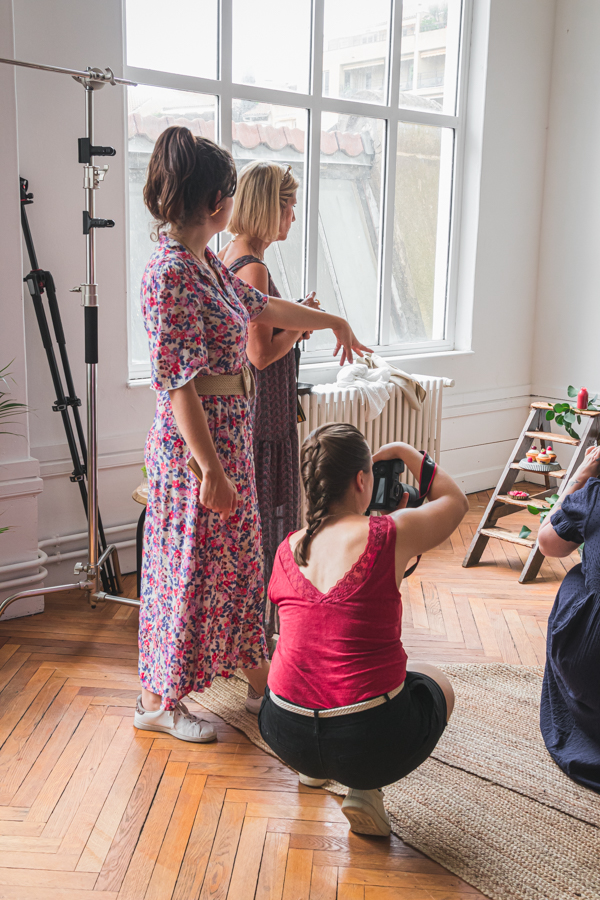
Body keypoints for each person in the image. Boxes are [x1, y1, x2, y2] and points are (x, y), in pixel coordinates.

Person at [133, 127, 370, 744]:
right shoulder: (170, 273)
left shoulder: (206, 264)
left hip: (227, 439)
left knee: (234, 564)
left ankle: (256, 669)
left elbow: (261, 309)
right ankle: (159, 700)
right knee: (185, 569)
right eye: (230, 194)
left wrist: (335, 318)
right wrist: (208, 466)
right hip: (197, 449)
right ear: (216, 201)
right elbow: (177, 381)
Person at [259, 424, 468, 835]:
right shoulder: (390, 533)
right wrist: (407, 452)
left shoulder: (288, 546)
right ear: (361, 480)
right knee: (438, 684)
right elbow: (456, 501)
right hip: (366, 741)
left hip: (284, 730)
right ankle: (364, 789)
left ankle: (312, 771)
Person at [219, 160, 316, 663]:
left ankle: (252, 636)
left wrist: (295, 314)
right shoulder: (253, 266)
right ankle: (260, 638)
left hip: (257, 417)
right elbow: (259, 355)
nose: (293, 216)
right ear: (267, 206)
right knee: (266, 527)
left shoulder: (230, 255)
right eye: (288, 205)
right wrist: (301, 327)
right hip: (266, 418)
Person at [537, 445, 600, 792]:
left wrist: (583, 474)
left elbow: (548, 543)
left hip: (592, 666)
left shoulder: (595, 494)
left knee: (577, 577)